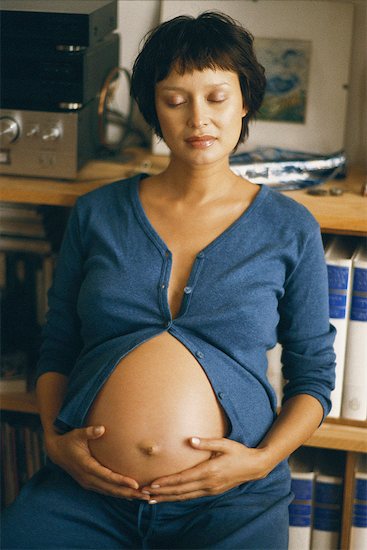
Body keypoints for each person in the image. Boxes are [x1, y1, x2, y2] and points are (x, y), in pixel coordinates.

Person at [1, 11, 336, 550]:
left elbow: (314, 376)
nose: (197, 117)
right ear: (154, 110)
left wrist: (258, 463)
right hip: (86, 497)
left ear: (245, 100)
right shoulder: (97, 214)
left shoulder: (289, 227)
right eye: (175, 99)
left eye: (216, 97)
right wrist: (54, 442)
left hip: (231, 503)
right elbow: (58, 345)